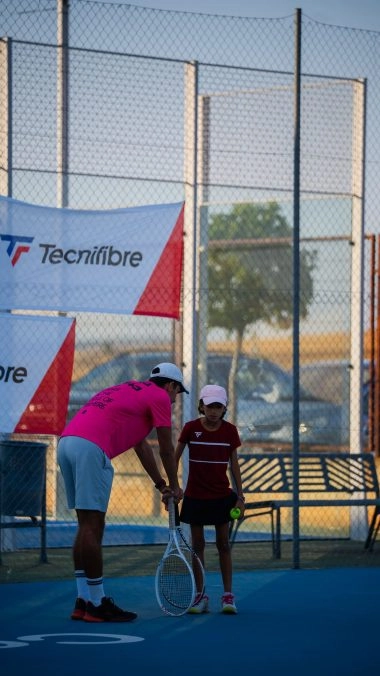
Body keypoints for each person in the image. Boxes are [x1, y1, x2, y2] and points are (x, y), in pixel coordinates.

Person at [57, 362, 187, 623]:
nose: (174, 400)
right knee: (93, 526)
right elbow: (166, 448)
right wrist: (175, 486)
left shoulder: (129, 390)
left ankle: (83, 601)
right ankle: (97, 603)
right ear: (170, 386)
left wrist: (162, 485)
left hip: (67, 443)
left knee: (85, 526)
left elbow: (141, 446)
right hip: (90, 448)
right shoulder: (160, 396)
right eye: (177, 393)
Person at [175, 384, 245, 615]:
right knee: (197, 546)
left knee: (224, 545)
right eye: (210, 406)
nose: (214, 411)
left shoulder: (230, 431)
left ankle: (228, 595)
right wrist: (172, 487)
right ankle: (200, 595)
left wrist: (240, 496)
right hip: (195, 497)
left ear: (225, 408)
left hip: (221, 497)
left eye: (219, 406)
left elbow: (233, 465)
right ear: (201, 406)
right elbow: (173, 457)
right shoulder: (190, 429)